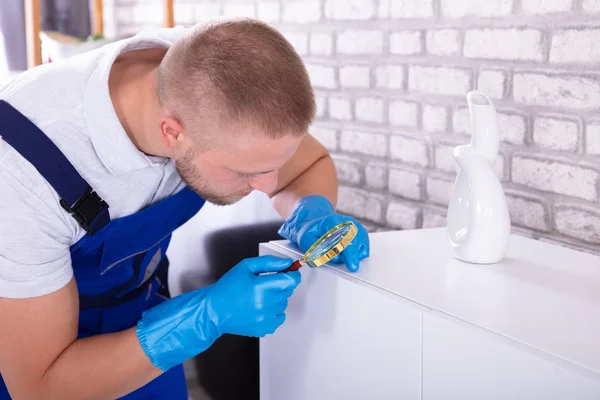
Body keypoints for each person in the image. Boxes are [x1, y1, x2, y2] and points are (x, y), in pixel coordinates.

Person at [0, 17, 370, 400]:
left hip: (147, 322)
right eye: (247, 172)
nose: (268, 185)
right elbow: (40, 386)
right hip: (36, 356)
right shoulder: (20, 170)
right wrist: (204, 317)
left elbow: (307, 167)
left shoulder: (218, 78)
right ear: (172, 133)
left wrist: (311, 211)